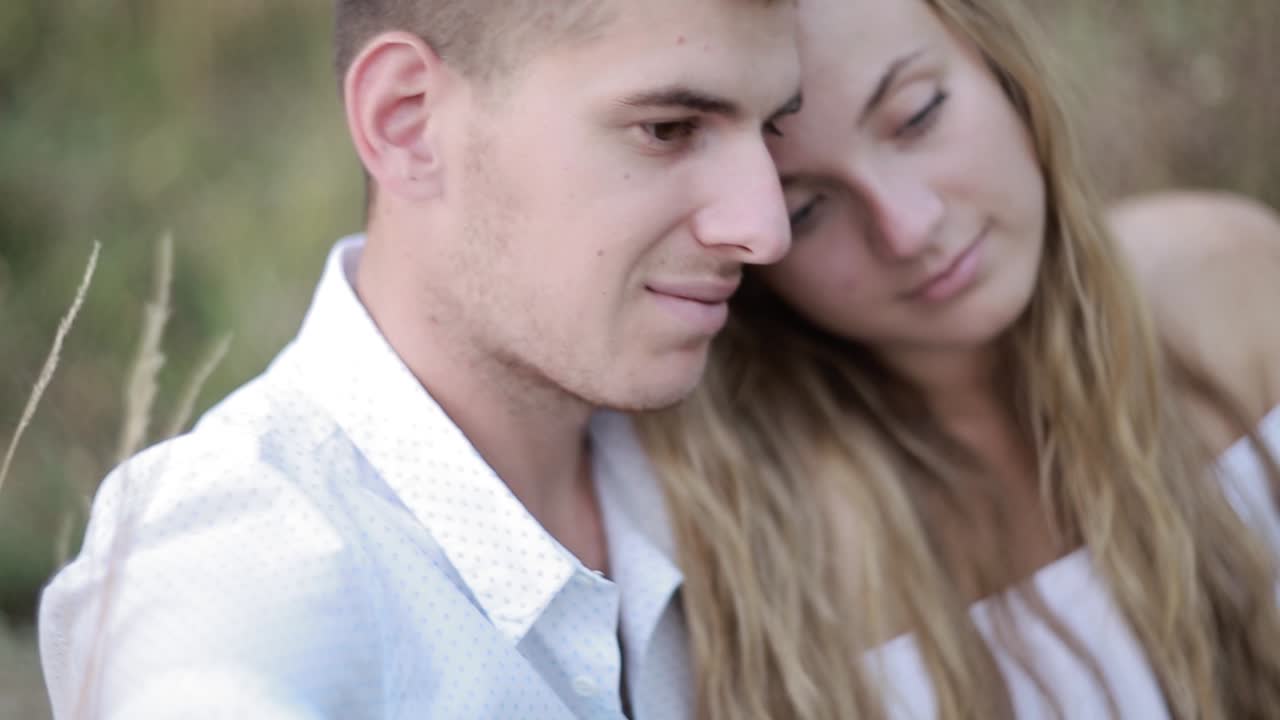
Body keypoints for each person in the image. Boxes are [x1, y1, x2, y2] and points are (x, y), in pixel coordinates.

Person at [38, 1, 801, 717]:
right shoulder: (242, 551)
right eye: (667, 129)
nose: (765, 230)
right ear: (406, 123)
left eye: (770, 130)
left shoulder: (749, 457)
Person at [636, 0, 1280, 717]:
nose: (908, 229)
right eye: (805, 210)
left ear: (1002, 66)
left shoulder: (1230, 289)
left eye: (917, 116)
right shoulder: (769, 539)